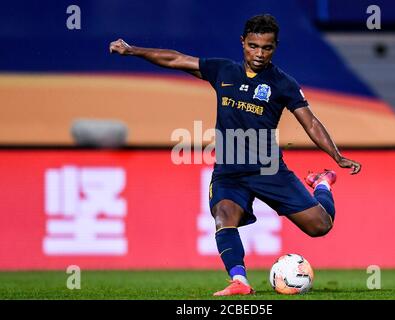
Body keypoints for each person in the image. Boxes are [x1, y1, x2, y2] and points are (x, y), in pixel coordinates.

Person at [110, 14, 361, 296]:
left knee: (320, 227)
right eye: (253, 46)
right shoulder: (223, 71)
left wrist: (336, 157)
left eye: (266, 48)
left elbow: (310, 122)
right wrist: (132, 50)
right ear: (243, 43)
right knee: (223, 216)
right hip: (229, 172)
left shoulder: (282, 83)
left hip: (268, 170)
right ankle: (239, 281)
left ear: (275, 47)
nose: (259, 54)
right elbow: (175, 59)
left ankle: (322, 183)